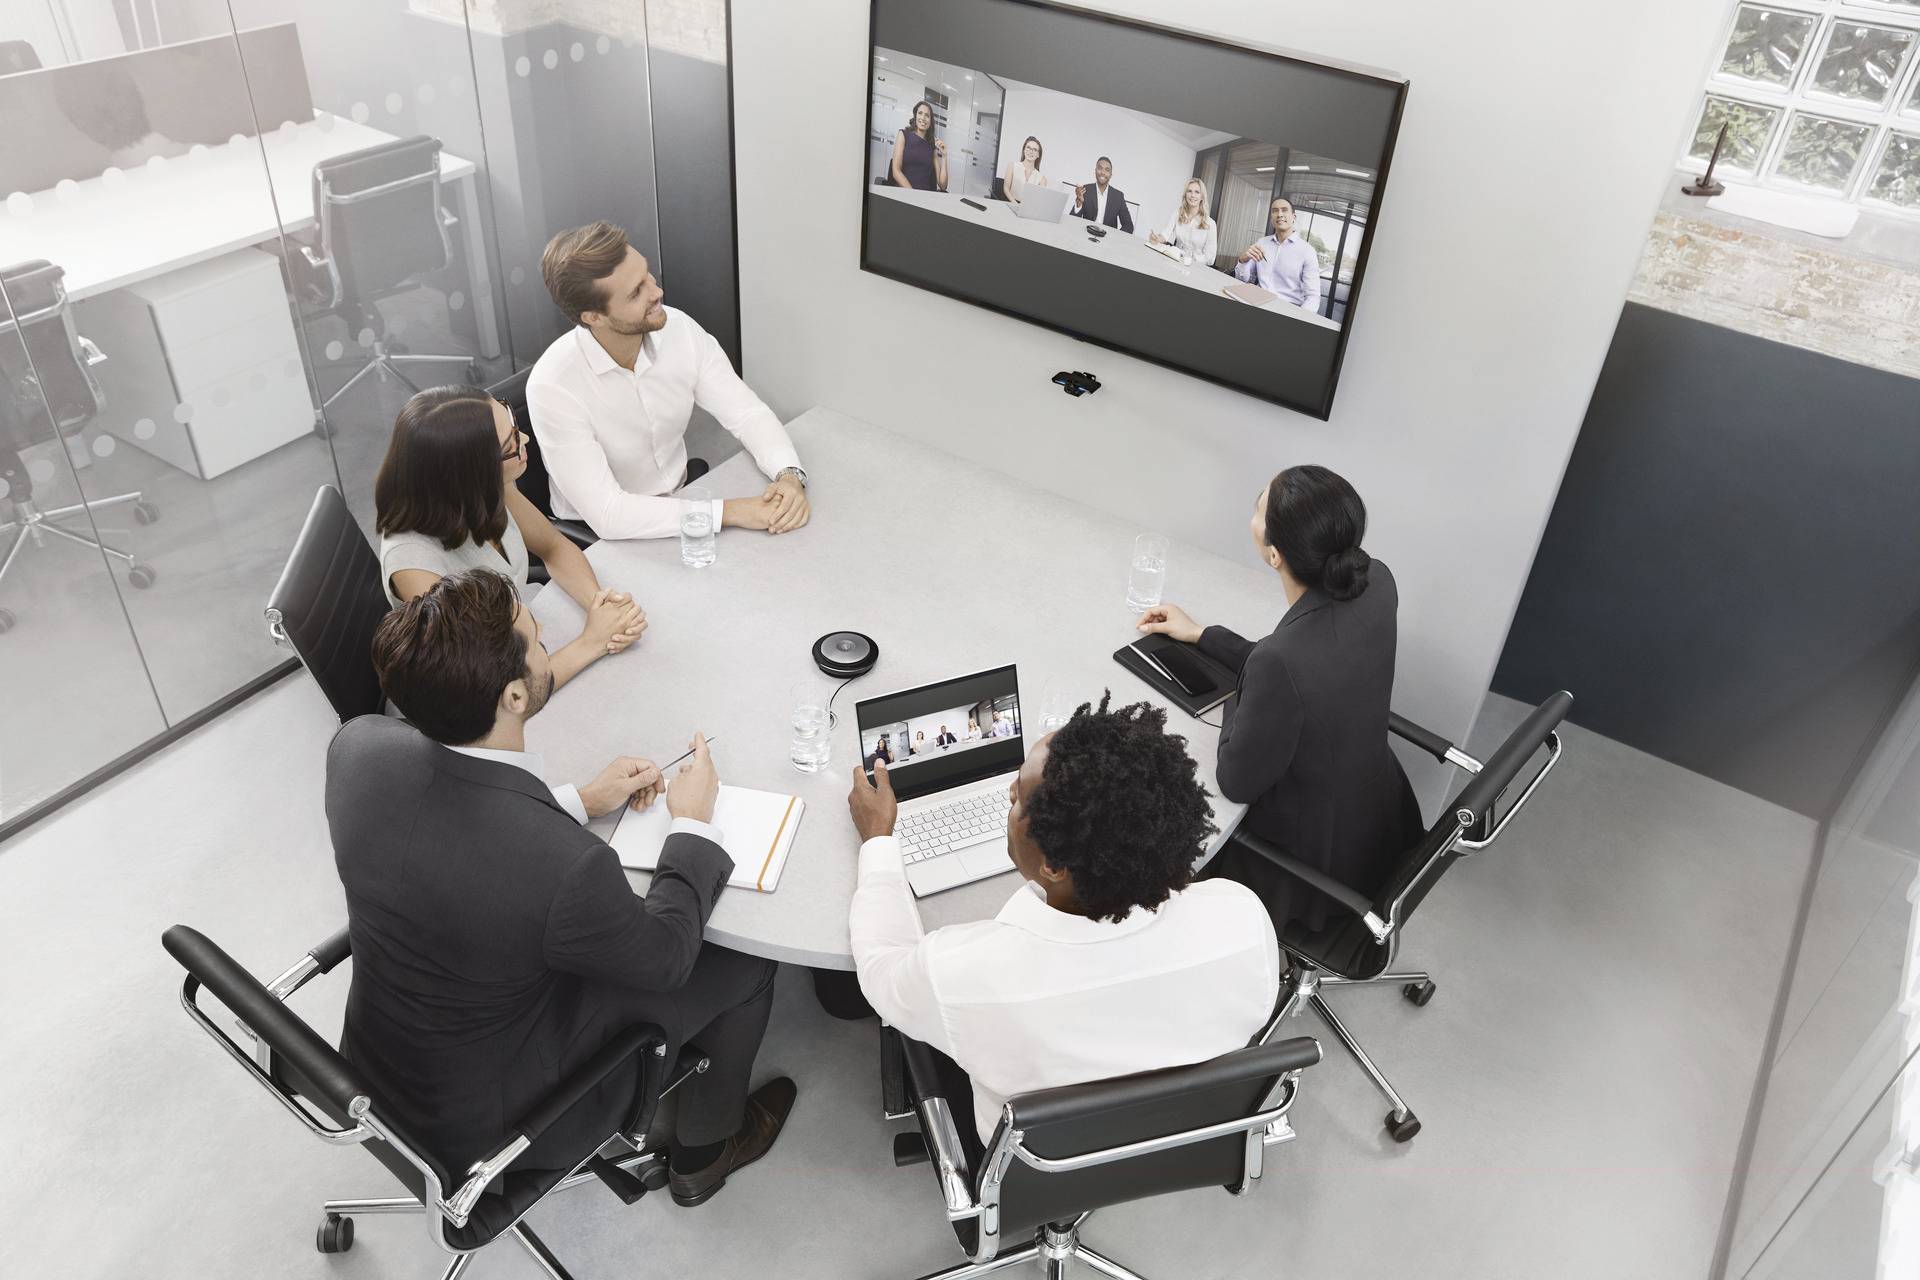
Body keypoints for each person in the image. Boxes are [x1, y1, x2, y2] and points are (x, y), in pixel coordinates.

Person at [329, 568, 797, 1204]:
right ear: (515, 698)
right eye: (535, 639)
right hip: (491, 1126)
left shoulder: (358, 750)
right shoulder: (566, 868)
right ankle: (706, 1152)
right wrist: (692, 826)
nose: (545, 634)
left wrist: (581, 799)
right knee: (745, 964)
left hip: (373, 1066)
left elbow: (457, 824)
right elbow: (664, 958)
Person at [847, 693, 1280, 1147]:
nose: (1009, 795)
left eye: (1018, 798)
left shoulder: (963, 973)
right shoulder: (1241, 919)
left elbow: (881, 971)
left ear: (1052, 865)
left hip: (1036, 1162)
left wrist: (878, 841)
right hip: (1172, 1141)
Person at [1137, 466, 1422, 939]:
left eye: (1258, 507)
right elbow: (1309, 671)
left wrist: (1243, 692)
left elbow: (1235, 781)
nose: (1254, 508)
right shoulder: (1377, 580)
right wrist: (1204, 635)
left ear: (1273, 554)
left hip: (1311, 864)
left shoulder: (1281, 662)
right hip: (1378, 817)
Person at [528, 221, 811, 541]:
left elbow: (746, 413)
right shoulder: (552, 387)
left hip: (681, 500)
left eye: (647, 275)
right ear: (594, 317)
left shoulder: (679, 330)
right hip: (602, 538)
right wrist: (733, 512)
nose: (657, 291)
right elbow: (608, 513)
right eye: (636, 292)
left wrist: (788, 475)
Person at [375, 385, 645, 689]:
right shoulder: (413, 563)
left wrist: (599, 606)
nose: (525, 439)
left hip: (531, 638)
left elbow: (554, 548)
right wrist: (592, 642)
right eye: (511, 443)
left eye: (515, 427)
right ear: (472, 470)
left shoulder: (487, 489)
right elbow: (495, 686)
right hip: (487, 691)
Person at [1233, 197, 1322, 313]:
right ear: (1271, 219)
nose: (1279, 214)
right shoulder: (1261, 243)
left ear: (1294, 217)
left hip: (1286, 312)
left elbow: (1313, 297)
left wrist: (1298, 321)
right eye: (1275, 211)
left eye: (1284, 210)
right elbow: (1242, 279)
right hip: (1255, 304)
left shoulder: (1307, 251)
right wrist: (1242, 261)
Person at [1149, 178, 1218, 267]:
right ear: (1185, 195)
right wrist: (1156, 238)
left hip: (1197, 268)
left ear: (1202, 197)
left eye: (1197, 192)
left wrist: (1190, 258)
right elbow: (1165, 235)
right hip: (1176, 263)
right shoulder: (1177, 213)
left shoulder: (1210, 224)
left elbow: (1210, 258)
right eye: (1189, 191)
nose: (1192, 195)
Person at [889, 100, 948, 192]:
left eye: (927, 115)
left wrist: (944, 156)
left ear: (930, 120)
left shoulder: (931, 145)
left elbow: (943, 186)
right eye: (920, 113)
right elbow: (896, 171)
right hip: (906, 193)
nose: (923, 118)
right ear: (915, 116)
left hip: (926, 196)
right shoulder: (904, 135)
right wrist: (913, 195)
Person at [1070, 157, 1134, 233]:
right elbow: (1071, 221)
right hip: (1085, 235)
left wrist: (1113, 239)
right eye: (1100, 168)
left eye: (1107, 170)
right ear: (1095, 171)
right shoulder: (1085, 190)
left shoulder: (1118, 196)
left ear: (1110, 175)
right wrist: (1079, 203)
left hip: (1107, 242)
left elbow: (1129, 226)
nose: (1103, 172)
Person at [1001, 134, 1047, 204]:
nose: (1031, 151)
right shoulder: (1012, 165)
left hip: (1028, 209)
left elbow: (1038, 200)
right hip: (1011, 203)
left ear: (1038, 155)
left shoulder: (1042, 179)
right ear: (1024, 150)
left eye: (1035, 150)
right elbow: (1006, 189)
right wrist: (1015, 204)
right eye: (1028, 148)